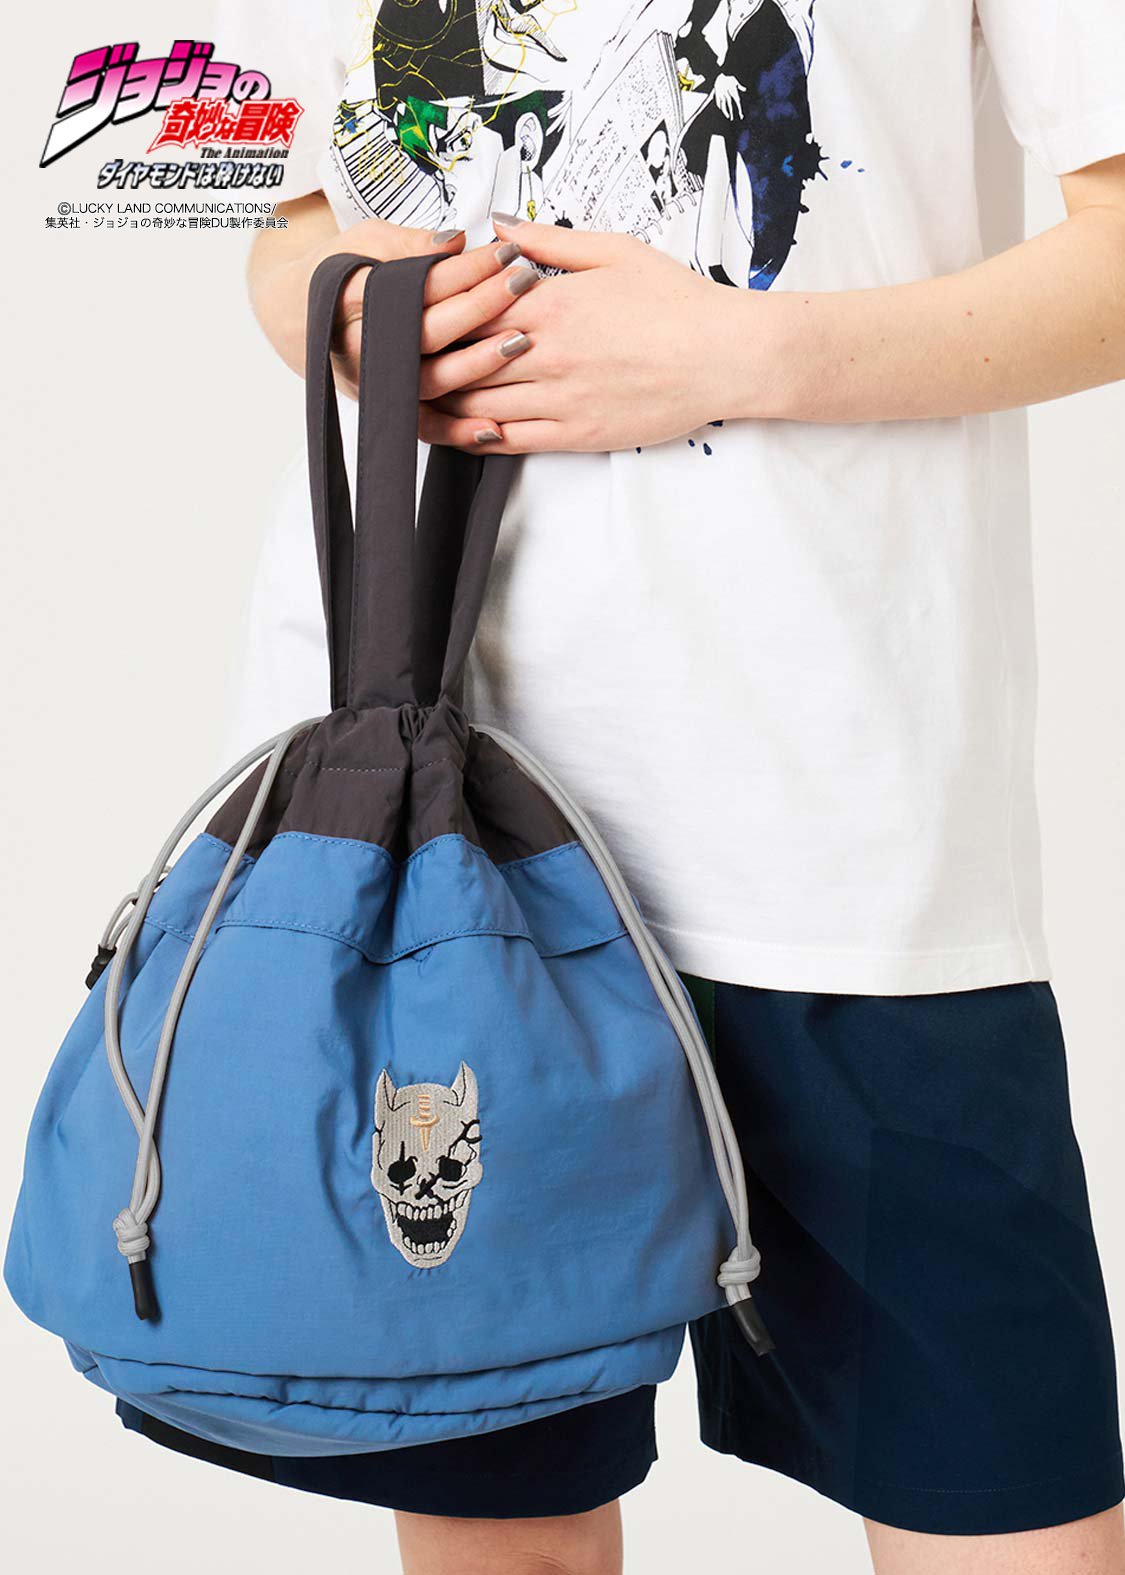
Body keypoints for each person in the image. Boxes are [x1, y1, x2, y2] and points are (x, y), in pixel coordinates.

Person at [125, 1, 1125, 1571]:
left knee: (1002, 1516)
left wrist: (745, 353)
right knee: (501, 1529)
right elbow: (246, 192)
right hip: (423, 823)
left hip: (837, 824)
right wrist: (335, 315)